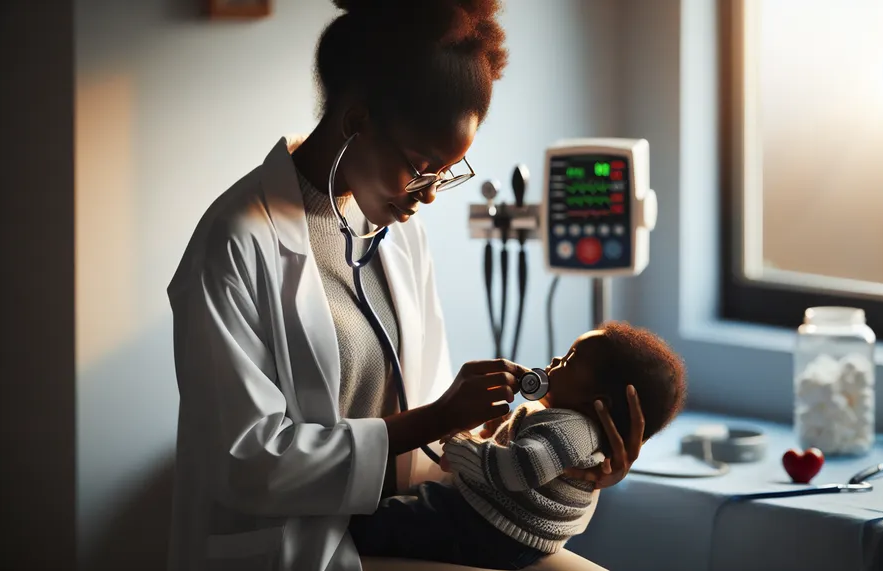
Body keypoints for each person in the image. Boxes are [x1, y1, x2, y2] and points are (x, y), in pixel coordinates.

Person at [166, 1, 648, 570]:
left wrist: (569, 459)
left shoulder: (394, 228)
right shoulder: (234, 242)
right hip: (296, 545)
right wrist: (439, 418)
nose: (430, 193)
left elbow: (424, 422)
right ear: (355, 121)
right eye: (422, 165)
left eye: (446, 171)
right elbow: (246, 462)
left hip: (406, 523)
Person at [348, 322, 688, 570]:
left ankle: (349, 531)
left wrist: (463, 446)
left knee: (394, 522)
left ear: (598, 401)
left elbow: (520, 468)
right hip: (500, 529)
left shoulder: (573, 430)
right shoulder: (566, 422)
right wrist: (492, 433)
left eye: (570, 359)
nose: (556, 359)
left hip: (484, 528)